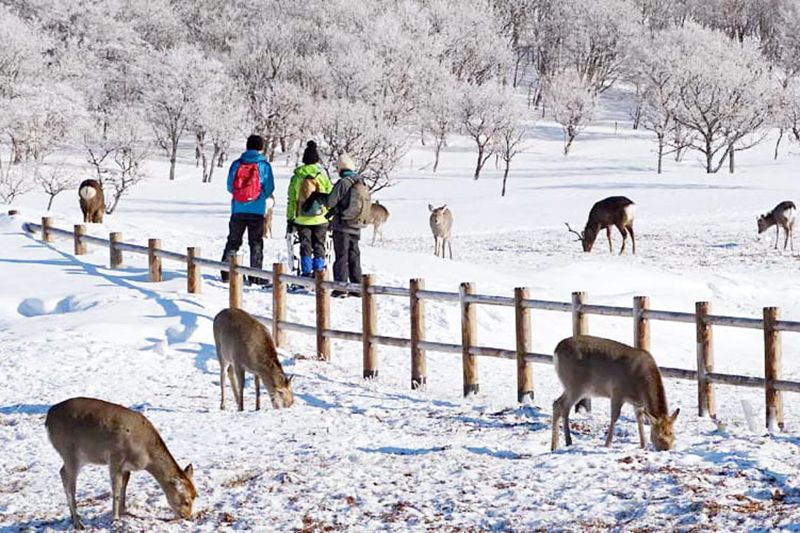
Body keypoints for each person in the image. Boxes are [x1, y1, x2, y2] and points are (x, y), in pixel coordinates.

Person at [304, 153, 365, 297]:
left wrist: (318, 197)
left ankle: (340, 287)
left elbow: (331, 201)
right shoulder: (361, 181)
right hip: (356, 224)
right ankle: (357, 287)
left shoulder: (344, 182)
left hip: (342, 224)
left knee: (341, 256)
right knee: (354, 255)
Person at [220, 134, 274, 284]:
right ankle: (255, 275)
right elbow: (269, 188)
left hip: (238, 209)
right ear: (261, 148)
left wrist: (240, 196)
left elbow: (230, 186)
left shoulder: (237, 164)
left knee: (233, 241)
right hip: (257, 210)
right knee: (256, 242)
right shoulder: (264, 165)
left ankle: (226, 272)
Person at [286, 141, 333, 277]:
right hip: (320, 218)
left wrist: (290, 218)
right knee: (319, 244)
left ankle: (306, 272)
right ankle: (319, 272)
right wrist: (330, 216)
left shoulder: (296, 177)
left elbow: (291, 200)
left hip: (302, 218)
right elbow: (330, 197)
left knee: (305, 245)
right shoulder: (322, 176)